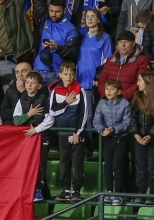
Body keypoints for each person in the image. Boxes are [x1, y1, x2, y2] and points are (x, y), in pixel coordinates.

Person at [49, 61, 89, 202]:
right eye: (65, 74)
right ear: (60, 75)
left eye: (71, 74)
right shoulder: (55, 92)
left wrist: (77, 133)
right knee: (64, 162)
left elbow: (84, 114)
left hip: (76, 134)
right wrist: (66, 102)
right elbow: (52, 112)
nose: (68, 76)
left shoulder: (80, 90)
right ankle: (65, 190)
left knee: (77, 163)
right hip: (62, 134)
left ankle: (76, 191)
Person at [33, 0, 80, 85]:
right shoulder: (45, 19)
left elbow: (73, 53)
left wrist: (57, 48)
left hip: (55, 75)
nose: (53, 14)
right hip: (37, 71)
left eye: (57, 11)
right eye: (51, 10)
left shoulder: (71, 29)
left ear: (64, 10)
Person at [13, 71, 54, 202]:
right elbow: (16, 120)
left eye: (33, 82)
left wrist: (36, 130)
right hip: (27, 138)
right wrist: (29, 114)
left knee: (41, 164)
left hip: (41, 136)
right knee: (27, 164)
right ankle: (29, 189)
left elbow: (50, 120)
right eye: (28, 82)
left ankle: (38, 190)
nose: (30, 85)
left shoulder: (44, 99)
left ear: (39, 86)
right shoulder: (21, 99)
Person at [94, 79, 131, 205]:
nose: (108, 91)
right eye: (107, 89)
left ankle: (118, 193)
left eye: (112, 89)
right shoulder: (101, 103)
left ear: (119, 91)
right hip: (107, 138)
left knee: (117, 165)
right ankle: (109, 192)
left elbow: (126, 123)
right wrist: (102, 130)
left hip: (121, 138)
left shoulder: (125, 104)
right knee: (108, 166)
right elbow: (96, 121)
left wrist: (113, 129)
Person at [130, 71, 154, 201]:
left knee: (152, 167)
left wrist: (151, 135)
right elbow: (132, 117)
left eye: (139, 81)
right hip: (139, 138)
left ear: (148, 83)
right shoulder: (137, 97)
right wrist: (136, 134)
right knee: (140, 166)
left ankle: (151, 195)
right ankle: (141, 192)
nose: (137, 83)